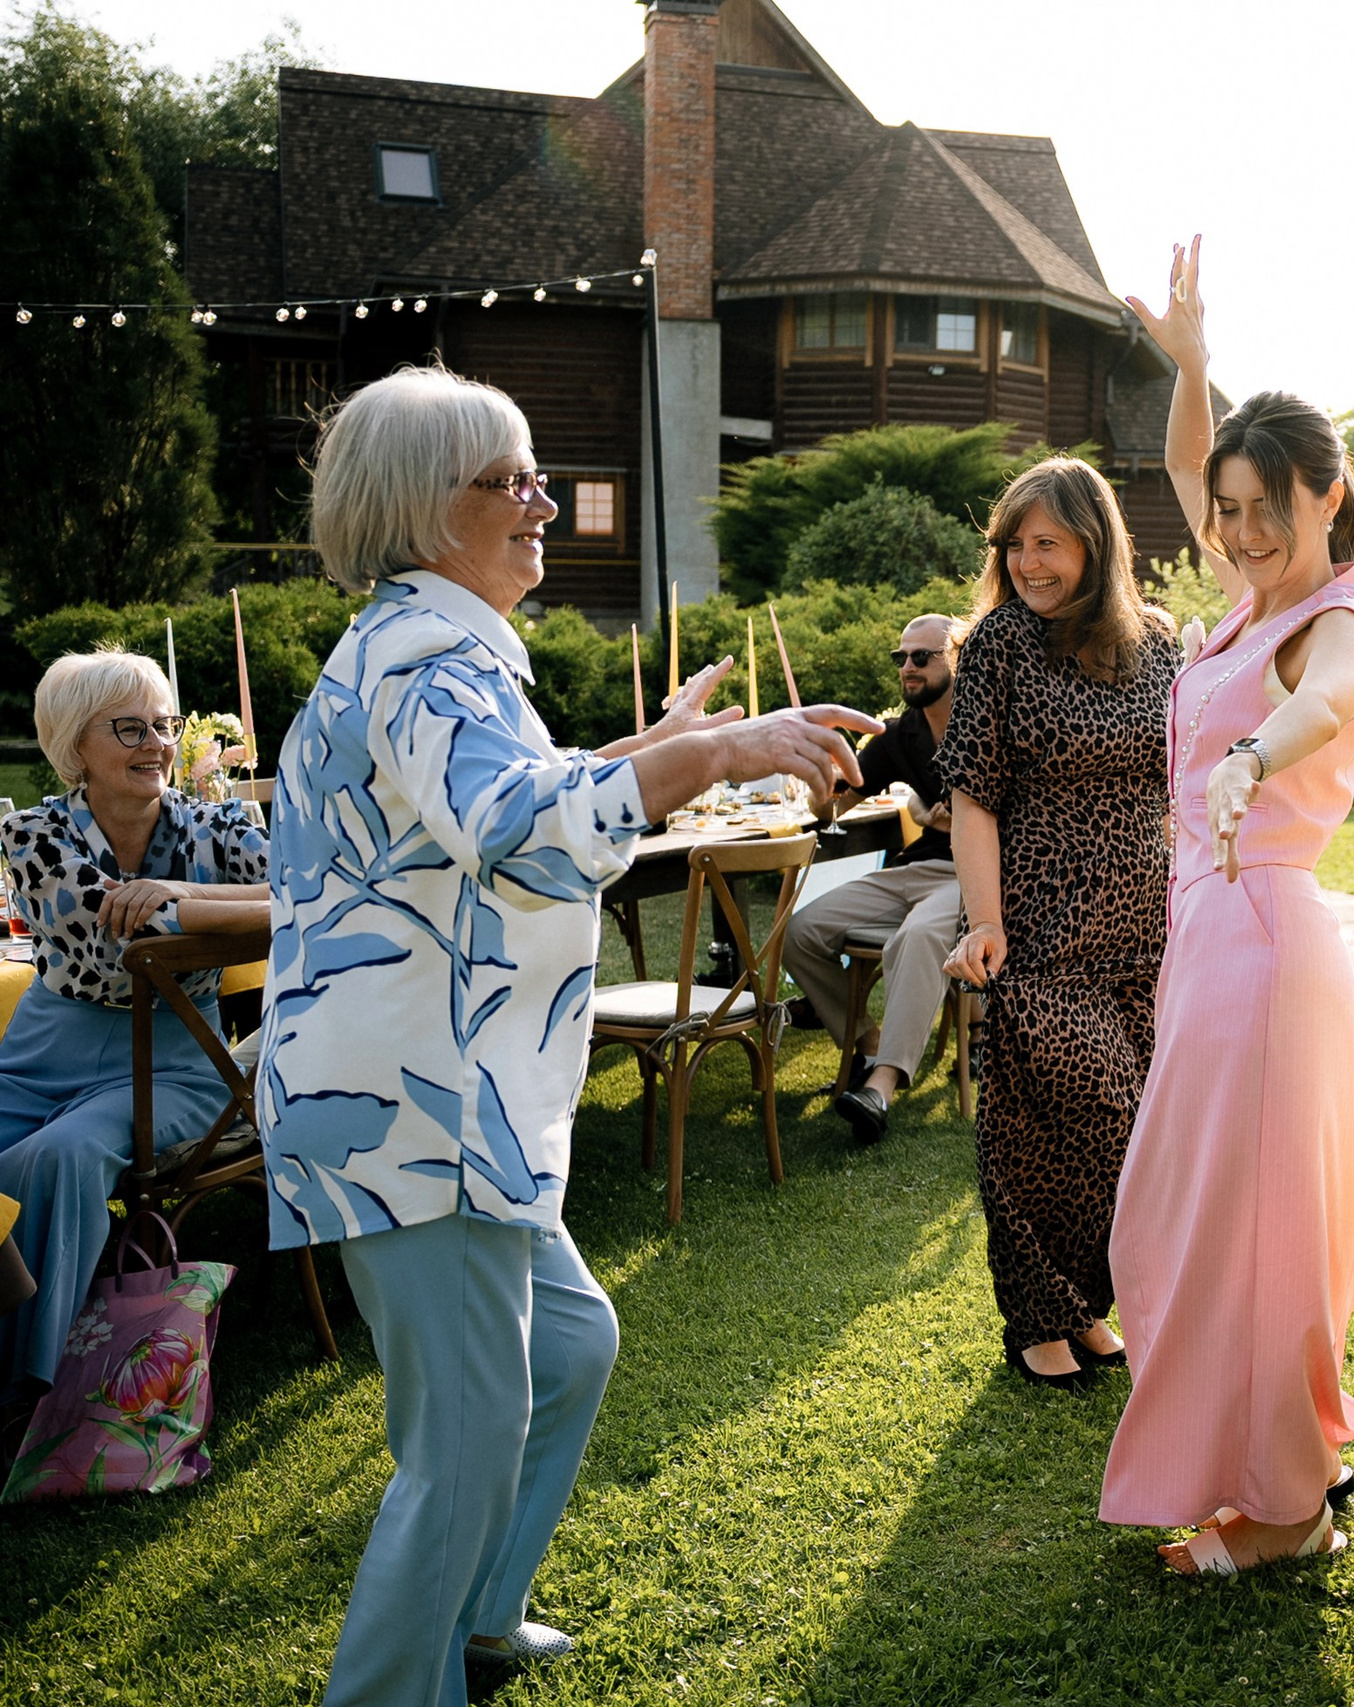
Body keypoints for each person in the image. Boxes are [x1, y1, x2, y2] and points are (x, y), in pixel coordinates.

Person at [261, 364, 874, 1706]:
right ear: (430, 509)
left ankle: (479, 1617)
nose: (544, 499)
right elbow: (518, 823)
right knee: (463, 1440)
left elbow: (505, 807)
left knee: (573, 1340)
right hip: (419, 1103)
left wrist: (652, 742)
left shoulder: (432, 648)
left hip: (448, 1096)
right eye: (513, 479)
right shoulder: (424, 652)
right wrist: (710, 754)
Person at [1100, 238, 1354, 1577]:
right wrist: (1195, 367)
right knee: (1189, 1210)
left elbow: (1324, 697)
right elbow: (1172, 466)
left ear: (1329, 497)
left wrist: (1260, 753)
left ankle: (1284, 1506)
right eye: (1227, 509)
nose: (1239, 530)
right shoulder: (1238, 602)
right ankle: (1271, 1468)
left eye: (1266, 506)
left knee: (1253, 1223)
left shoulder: (1336, 616)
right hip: (1209, 944)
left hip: (1266, 944)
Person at [938, 456, 1180, 1391]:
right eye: (1016, 545)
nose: (1029, 562)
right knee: (1056, 1116)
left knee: (1130, 1130)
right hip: (1040, 929)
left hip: (1146, 930)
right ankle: (1037, 1311)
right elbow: (973, 796)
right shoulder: (998, 644)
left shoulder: (1156, 642)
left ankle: (1080, 1310)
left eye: (1049, 543)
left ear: (1097, 541)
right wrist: (984, 920)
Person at [0, 651, 270, 1455]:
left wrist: (184, 895)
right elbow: (115, 937)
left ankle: (27, 1391)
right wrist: (221, 910)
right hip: (47, 1049)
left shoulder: (217, 825)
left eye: (163, 725)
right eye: (130, 728)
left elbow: (312, 896)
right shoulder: (34, 834)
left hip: (177, 1062)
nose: (155, 743)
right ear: (74, 744)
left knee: (59, 1157)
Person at [782, 612, 962, 1145]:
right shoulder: (898, 735)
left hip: (977, 875)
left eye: (921, 657)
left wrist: (963, 817)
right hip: (918, 867)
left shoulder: (991, 721)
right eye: (900, 657)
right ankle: (867, 1041)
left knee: (920, 936)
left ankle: (880, 1086)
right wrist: (816, 779)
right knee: (801, 933)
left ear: (957, 658)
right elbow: (836, 807)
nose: (907, 667)